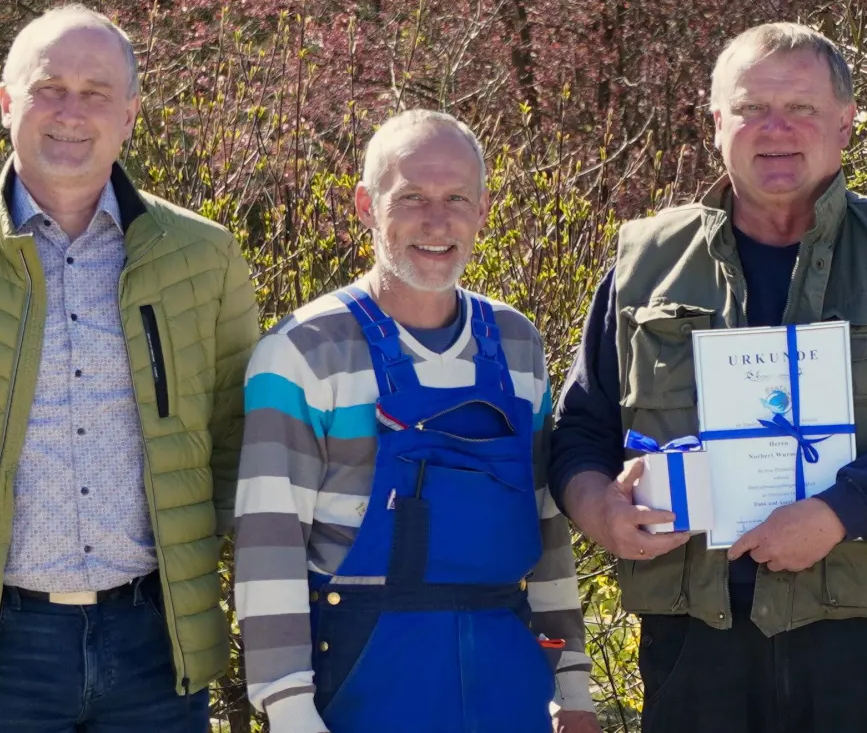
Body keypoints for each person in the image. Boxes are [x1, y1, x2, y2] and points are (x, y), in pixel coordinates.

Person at [548, 23, 867, 733]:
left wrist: (838, 513)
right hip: (696, 640)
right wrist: (600, 508)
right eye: (752, 108)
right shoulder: (644, 264)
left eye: (801, 108)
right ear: (715, 123)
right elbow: (581, 426)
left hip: (865, 639)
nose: (776, 129)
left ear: (846, 123)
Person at [0, 4, 259, 730]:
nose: (71, 112)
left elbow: (235, 439)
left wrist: (189, 565)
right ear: (6, 101)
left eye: (96, 92)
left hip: (157, 645)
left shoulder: (204, 256)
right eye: (48, 88)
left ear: (129, 114)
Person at [234, 109, 598, 733]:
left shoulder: (517, 344)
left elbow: (546, 527)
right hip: (361, 688)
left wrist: (574, 686)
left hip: (510, 684)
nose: (436, 220)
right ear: (366, 206)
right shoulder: (302, 352)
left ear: (483, 210)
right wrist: (289, 710)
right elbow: (269, 544)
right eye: (411, 198)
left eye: (456, 197)